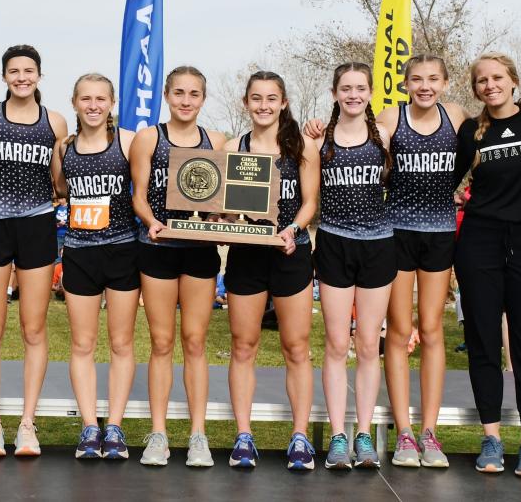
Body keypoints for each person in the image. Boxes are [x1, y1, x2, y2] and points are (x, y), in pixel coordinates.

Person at [454, 52, 521, 478]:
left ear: (513, 81)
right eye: (482, 80)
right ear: (476, 88)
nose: (490, 85)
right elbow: (448, 180)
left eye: (497, 77)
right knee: (482, 344)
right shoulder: (469, 132)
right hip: (480, 243)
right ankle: (491, 439)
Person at [0, 44, 65, 458]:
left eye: (28, 70)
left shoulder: (54, 121)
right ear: (4, 75)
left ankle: (27, 423)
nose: (21, 77)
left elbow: (60, 184)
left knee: (34, 329)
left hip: (37, 225)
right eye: (13, 71)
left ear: (39, 75)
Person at [222, 71, 319, 470]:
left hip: (290, 251)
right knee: (244, 346)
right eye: (256, 98)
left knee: (295, 347)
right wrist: (229, 219)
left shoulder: (302, 147)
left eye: (271, 98)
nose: (264, 105)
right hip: (247, 254)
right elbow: (225, 207)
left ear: (283, 102)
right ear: (246, 102)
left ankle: (300, 438)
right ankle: (244, 437)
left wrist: (293, 230)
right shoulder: (233, 147)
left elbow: (310, 202)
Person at [130, 65, 226, 467]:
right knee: (162, 342)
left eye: (194, 94)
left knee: (195, 342)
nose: (186, 101)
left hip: (199, 250)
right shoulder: (150, 138)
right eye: (179, 93)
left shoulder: (216, 140)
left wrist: (220, 219)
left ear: (203, 99)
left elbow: (221, 199)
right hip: (159, 247)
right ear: (167, 96)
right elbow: (138, 196)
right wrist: (152, 222)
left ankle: (198, 434)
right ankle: (158, 434)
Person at [51, 73, 139, 460]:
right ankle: (89, 426)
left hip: (122, 251)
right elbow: (59, 189)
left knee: (121, 343)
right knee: (83, 343)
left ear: (112, 103)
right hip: (80, 253)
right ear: (74, 103)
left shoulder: (129, 142)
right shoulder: (63, 148)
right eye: (85, 98)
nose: (93, 105)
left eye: (100, 98)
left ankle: (115, 426)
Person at [312, 62, 394, 470]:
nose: (353, 94)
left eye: (360, 88)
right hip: (333, 244)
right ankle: (338, 436)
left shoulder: (386, 136)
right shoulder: (319, 143)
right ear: (334, 93)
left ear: (370, 92)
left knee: (367, 346)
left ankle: (364, 434)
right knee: (336, 344)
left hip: (378, 246)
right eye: (346, 88)